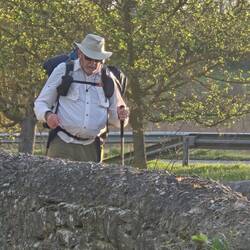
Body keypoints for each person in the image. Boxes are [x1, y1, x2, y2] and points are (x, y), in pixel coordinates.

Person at [34, 34, 129, 162]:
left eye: (97, 60)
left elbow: (117, 120)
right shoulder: (64, 70)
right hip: (62, 144)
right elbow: (41, 103)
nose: (93, 63)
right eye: (89, 58)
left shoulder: (108, 78)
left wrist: (122, 115)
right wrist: (48, 115)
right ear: (80, 53)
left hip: (92, 148)